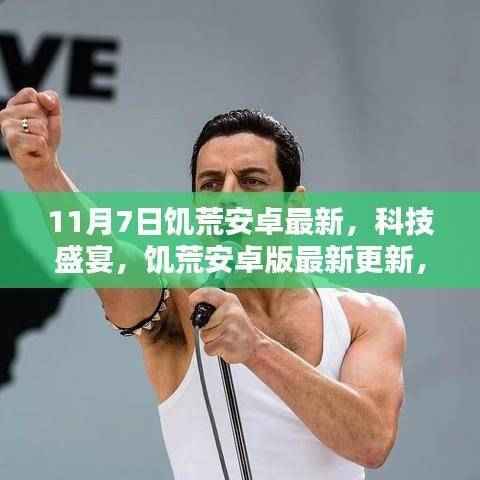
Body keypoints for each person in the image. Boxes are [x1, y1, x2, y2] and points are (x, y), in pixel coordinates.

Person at [0, 87, 406, 479]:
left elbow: (372, 442)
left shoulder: (363, 318)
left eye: (251, 181)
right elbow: (105, 254)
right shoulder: (179, 303)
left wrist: (257, 349)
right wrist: (43, 171)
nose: (227, 199)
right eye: (210, 185)